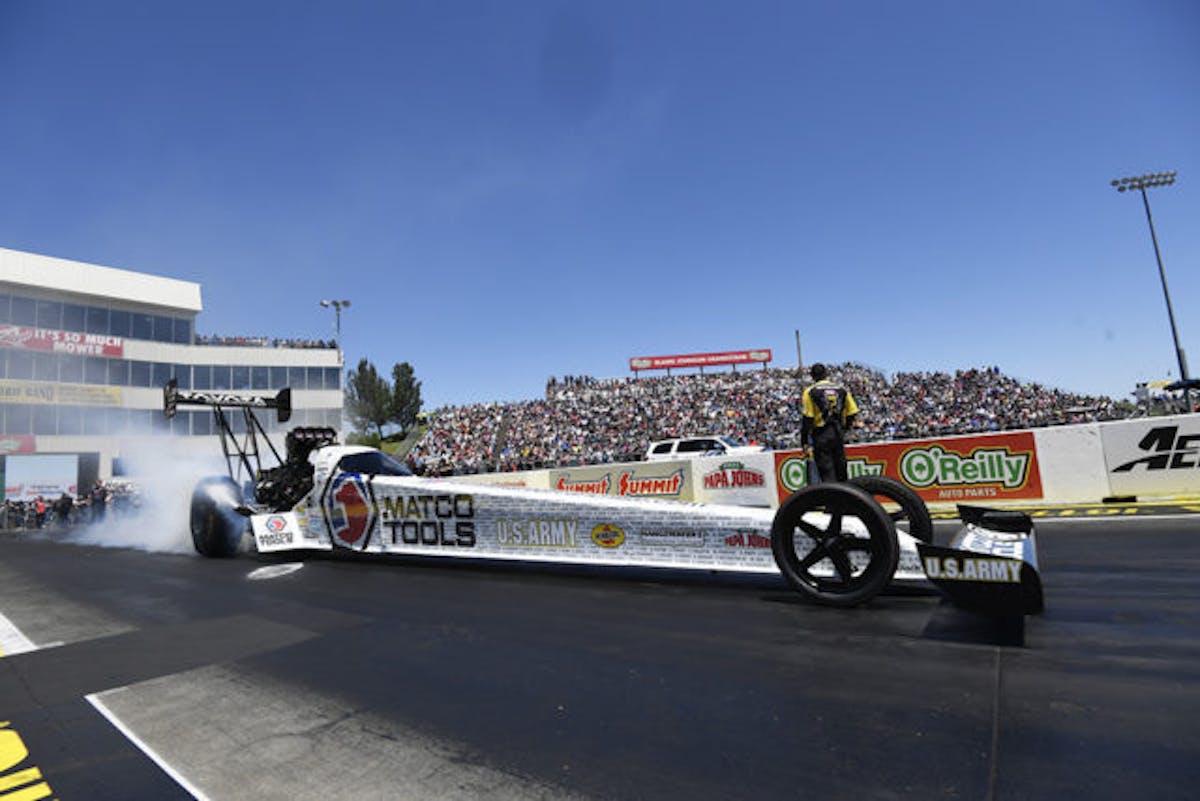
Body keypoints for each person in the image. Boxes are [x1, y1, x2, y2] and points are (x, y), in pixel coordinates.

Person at [800, 363, 859, 483]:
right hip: (837, 432)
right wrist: (845, 428)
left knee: (827, 472)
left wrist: (804, 440)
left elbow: (808, 418)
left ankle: (832, 499)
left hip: (821, 434)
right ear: (826, 374)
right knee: (841, 470)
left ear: (812, 376)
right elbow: (852, 412)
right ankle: (846, 499)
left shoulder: (810, 391)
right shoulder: (841, 389)